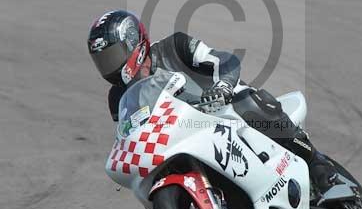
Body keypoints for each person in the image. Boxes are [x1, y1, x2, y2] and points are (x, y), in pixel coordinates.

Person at [87, 10, 340, 193]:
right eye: (102, 61)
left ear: (134, 42)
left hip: (225, 112)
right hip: (183, 138)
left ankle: (317, 163)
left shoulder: (175, 46)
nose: (109, 66)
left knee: (248, 104)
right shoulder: (117, 98)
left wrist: (222, 87)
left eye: (112, 55)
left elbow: (225, 61)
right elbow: (132, 136)